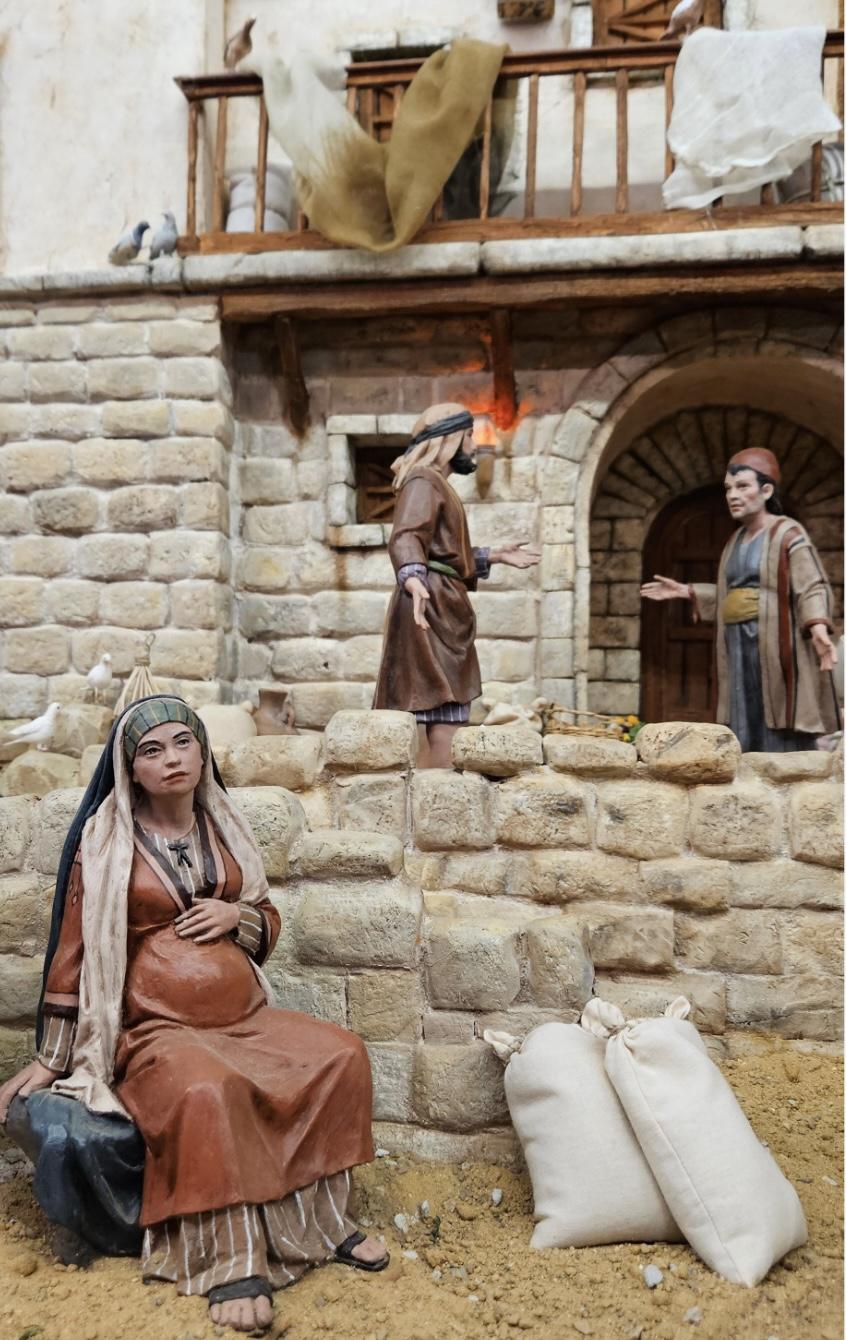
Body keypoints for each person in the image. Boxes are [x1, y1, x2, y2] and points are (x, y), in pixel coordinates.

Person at [0, 695, 386, 1335]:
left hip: (246, 1019)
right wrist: (50, 1058)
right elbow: (75, 950)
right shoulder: (107, 842)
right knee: (210, 1089)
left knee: (341, 1054)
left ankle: (322, 1225)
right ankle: (230, 1260)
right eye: (151, 750)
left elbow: (267, 921)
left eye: (183, 743)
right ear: (131, 769)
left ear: (204, 753)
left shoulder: (224, 828)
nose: (171, 759)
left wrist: (240, 917)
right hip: (158, 1031)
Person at [373, 402, 540, 767]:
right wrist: (414, 581)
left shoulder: (435, 484)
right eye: (468, 435)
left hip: (441, 600)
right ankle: (437, 797)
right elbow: (406, 537)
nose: (473, 444)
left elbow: (443, 552)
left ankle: (440, 794)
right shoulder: (424, 480)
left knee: (447, 706)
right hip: (430, 604)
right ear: (447, 438)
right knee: (440, 704)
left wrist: (493, 555)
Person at [641, 448, 840, 752]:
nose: (732, 495)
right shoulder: (735, 540)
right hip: (737, 643)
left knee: (775, 704)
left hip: (774, 643)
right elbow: (731, 594)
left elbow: (811, 584)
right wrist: (690, 592)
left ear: (766, 490)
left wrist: (818, 626)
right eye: (728, 488)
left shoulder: (787, 533)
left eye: (742, 486)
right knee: (743, 705)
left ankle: (782, 766)